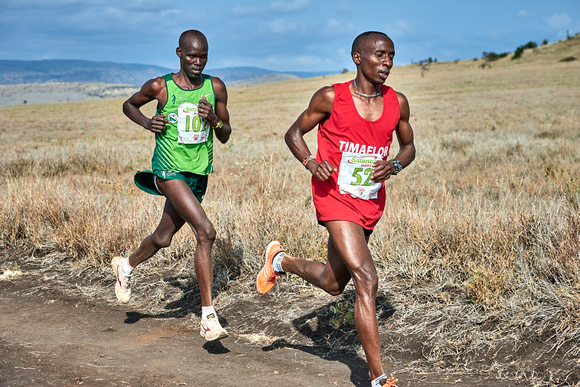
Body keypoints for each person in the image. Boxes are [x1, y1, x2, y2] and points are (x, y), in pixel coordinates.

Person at [256, 31, 415, 386]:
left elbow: (409, 147)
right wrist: (312, 163)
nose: (387, 62)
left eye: (391, 55)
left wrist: (395, 165)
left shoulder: (397, 102)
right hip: (334, 198)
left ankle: (279, 261)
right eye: (379, 55)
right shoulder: (331, 97)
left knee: (333, 282)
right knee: (367, 279)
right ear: (358, 57)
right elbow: (293, 134)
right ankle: (377, 377)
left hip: (370, 201)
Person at [112, 29, 232, 342]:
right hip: (168, 170)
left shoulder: (214, 87)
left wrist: (214, 121)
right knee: (205, 232)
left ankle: (125, 266)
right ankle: (208, 318)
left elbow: (226, 132)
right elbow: (129, 104)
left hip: (196, 174)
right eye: (192, 56)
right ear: (179, 53)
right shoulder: (160, 86)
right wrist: (146, 122)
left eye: (203, 56)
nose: (198, 62)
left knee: (163, 238)